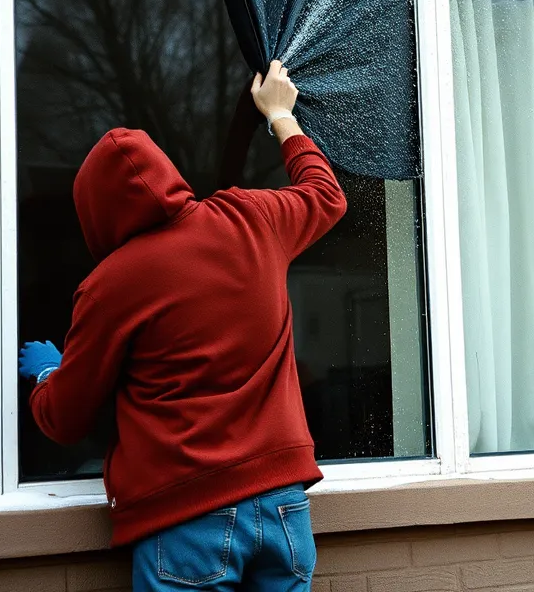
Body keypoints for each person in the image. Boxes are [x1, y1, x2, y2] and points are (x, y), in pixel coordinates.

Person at [19, 61, 346, 592]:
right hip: (286, 509)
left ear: (94, 214)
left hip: (191, 518)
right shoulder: (250, 219)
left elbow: (64, 418)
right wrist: (282, 116)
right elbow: (326, 195)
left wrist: (47, 374)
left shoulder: (110, 284)